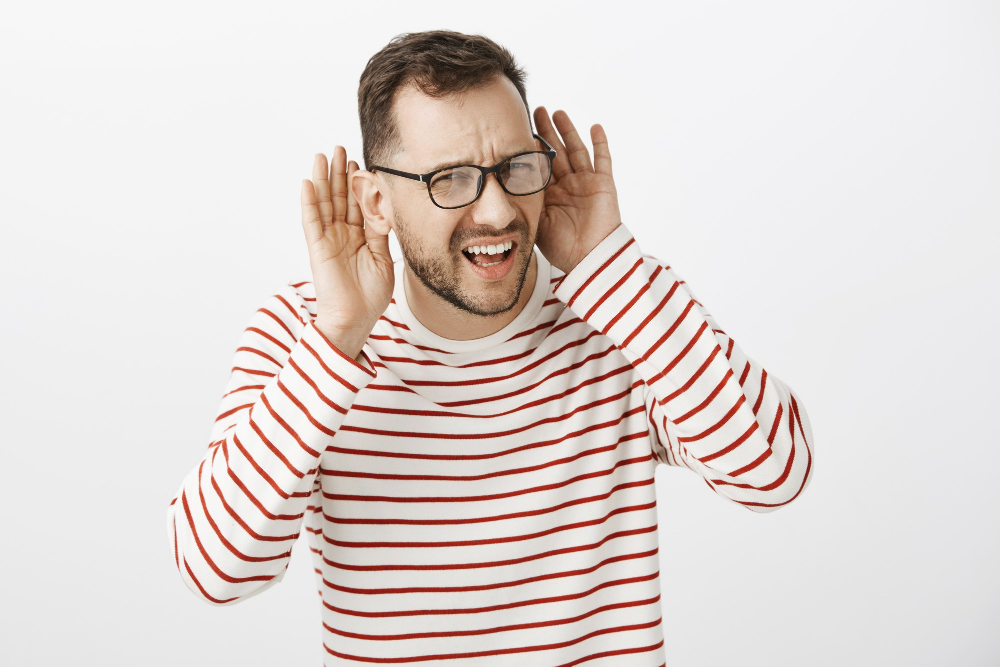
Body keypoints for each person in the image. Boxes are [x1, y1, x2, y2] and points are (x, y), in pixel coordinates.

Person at [166, 29, 814, 666]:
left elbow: (776, 471)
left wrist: (609, 265)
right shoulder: (304, 332)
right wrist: (337, 338)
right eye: (450, 179)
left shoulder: (623, 308)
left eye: (515, 167)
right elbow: (215, 569)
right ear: (376, 199)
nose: (499, 211)